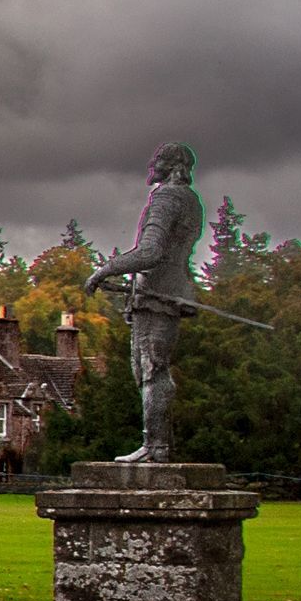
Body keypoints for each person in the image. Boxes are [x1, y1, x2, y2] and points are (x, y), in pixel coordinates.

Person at [87, 141, 207, 464]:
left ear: (168, 165)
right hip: (169, 291)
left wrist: (105, 269)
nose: (152, 164)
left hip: (156, 296)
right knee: (151, 370)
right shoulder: (192, 202)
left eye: (157, 159)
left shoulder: (166, 198)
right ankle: (156, 446)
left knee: (151, 370)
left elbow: (151, 252)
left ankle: (154, 448)